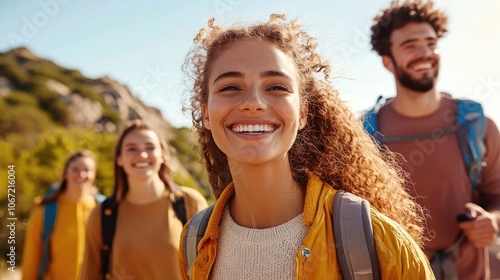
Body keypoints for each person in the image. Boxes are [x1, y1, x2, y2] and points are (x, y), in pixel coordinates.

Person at [178, 13, 434, 279]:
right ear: (206, 114)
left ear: (302, 114)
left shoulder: (382, 241)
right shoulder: (194, 242)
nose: (253, 102)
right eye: (230, 87)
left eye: (276, 87)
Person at [368, 1, 500, 279]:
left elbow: (497, 197)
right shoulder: (365, 135)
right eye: (410, 45)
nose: (425, 53)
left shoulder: (476, 125)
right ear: (387, 61)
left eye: (431, 43)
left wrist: (493, 221)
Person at [81, 120, 208, 280]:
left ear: (162, 155)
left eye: (150, 147)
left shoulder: (189, 202)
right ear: (119, 158)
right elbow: (89, 274)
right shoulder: (103, 214)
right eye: (131, 149)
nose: (142, 155)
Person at [21, 150, 102, 280]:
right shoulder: (43, 213)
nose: (81, 174)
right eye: (75, 169)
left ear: (94, 174)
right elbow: (31, 260)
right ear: (65, 174)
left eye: (87, 170)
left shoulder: (103, 212)